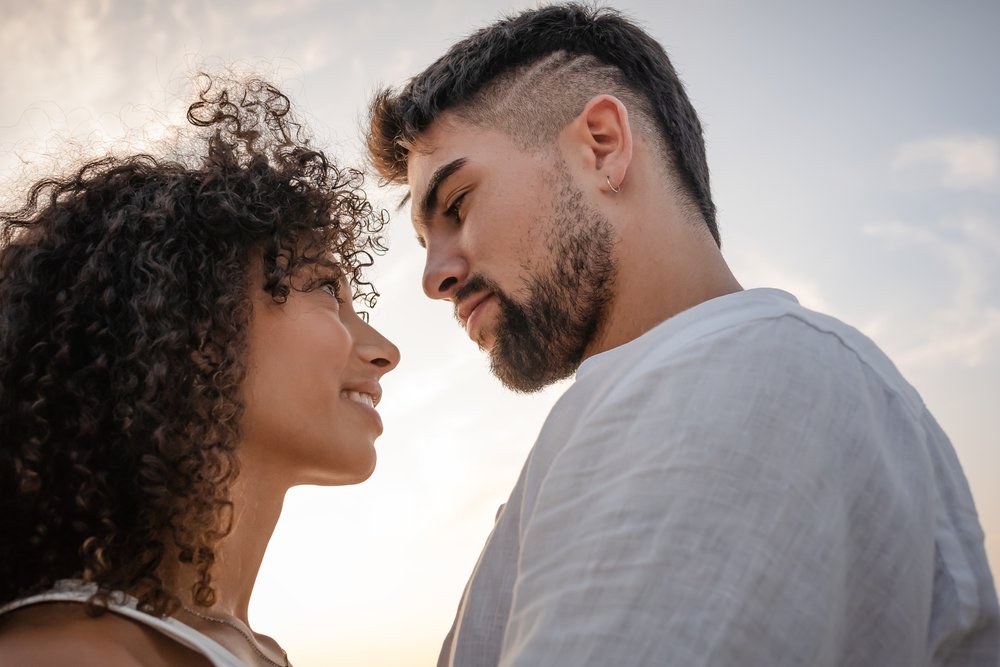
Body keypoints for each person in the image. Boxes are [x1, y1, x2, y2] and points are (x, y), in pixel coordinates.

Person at [366, 4, 998, 666]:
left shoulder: (740, 374)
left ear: (602, 146)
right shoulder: (709, 382)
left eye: (459, 205)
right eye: (423, 240)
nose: (435, 277)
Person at [0, 77, 399, 666]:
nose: (386, 350)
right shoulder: (70, 652)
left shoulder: (252, 652)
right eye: (322, 288)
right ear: (198, 330)